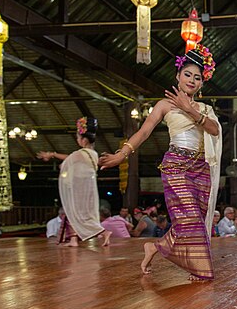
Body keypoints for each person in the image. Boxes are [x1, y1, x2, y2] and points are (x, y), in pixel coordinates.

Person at [99, 44, 222, 281]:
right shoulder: (164, 105)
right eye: (187, 74)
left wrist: (191, 110)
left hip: (201, 168)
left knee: (195, 219)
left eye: (197, 77)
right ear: (178, 76)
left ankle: (154, 248)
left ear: (202, 83)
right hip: (176, 166)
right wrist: (121, 154)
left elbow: (215, 130)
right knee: (189, 218)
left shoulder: (205, 109)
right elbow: (144, 132)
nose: (192, 80)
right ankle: (198, 267)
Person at [37, 117, 112, 247]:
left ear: (84, 140)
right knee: (74, 213)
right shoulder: (92, 153)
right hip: (84, 189)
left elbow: (69, 158)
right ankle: (74, 239)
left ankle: (102, 232)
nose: (77, 140)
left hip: (80, 189)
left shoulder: (83, 153)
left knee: (76, 213)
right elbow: (70, 159)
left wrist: (52, 155)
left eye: (78, 138)